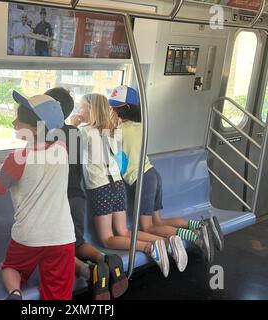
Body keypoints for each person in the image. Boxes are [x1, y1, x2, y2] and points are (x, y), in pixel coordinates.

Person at [0, 92, 76, 300]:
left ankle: (15, 293)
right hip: (62, 237)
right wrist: (6, 170)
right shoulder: (63, 148)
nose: (14, 123)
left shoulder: (17, 160)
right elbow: (40, 165)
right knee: (58, 294)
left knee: (11, 268)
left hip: (28, 237)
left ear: (34, 128)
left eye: (19, 120)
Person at [108, 85, 225, 264]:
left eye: (114, 108)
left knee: (148, 226)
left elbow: (104, 140)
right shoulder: (140, 126)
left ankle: (196, 237)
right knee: (158, 221)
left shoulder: (119, 131)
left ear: (125, 109)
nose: (111, 111)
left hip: (143, 180)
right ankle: (201, 225)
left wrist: (109, 124)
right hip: (153, 175)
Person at [76, 93, 188, 277]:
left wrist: (73, 124)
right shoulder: (113, 130)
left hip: (100, 187)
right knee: (123, 230)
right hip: (118, 185)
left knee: (107, 239)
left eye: (81, 107)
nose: (78, 111)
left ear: (91, 110)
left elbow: (71, 153)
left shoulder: (83, 132)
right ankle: (164, 241)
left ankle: (148, 247)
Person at [45, 87, 128, 300]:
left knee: (57, 248)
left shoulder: (49, 135)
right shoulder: (77, 133)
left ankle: (89, 271)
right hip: (78, 196)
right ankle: (105, 259)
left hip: (59, 199)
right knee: (77, 243)